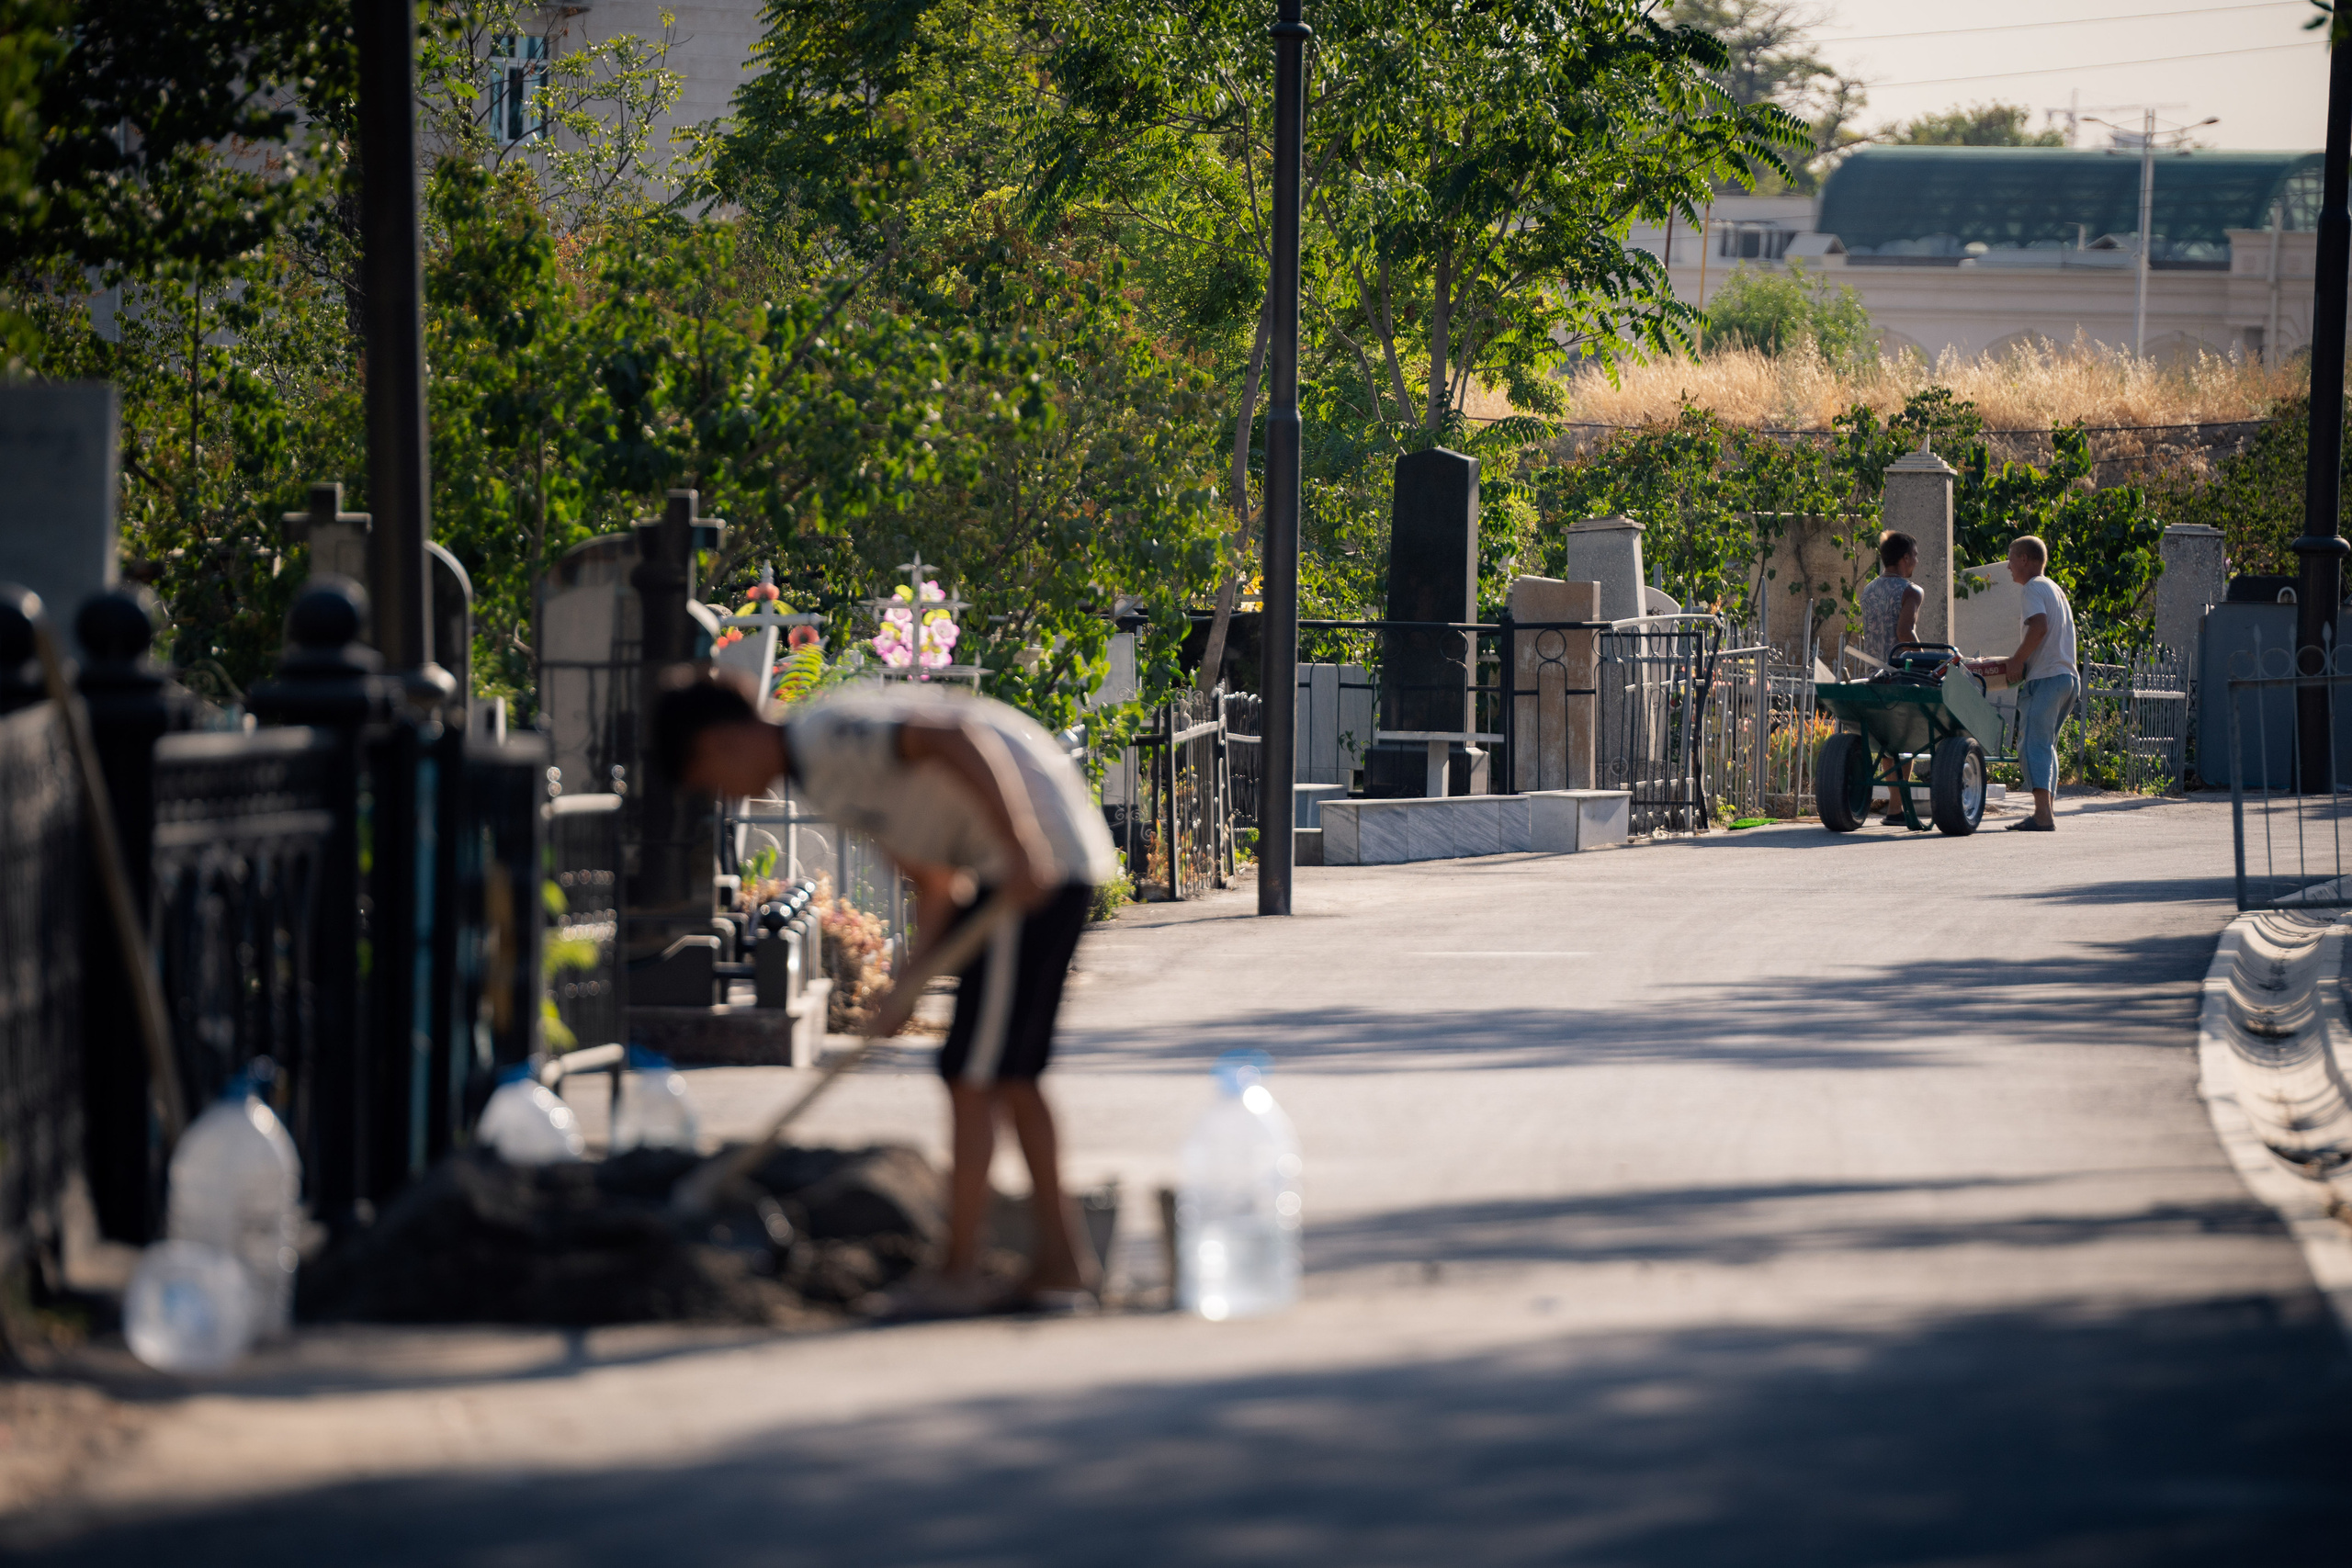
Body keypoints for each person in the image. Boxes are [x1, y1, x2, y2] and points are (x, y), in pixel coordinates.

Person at [651, 671, 1118, 1317]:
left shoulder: (824, 738)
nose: (728, 797)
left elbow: (953, 735)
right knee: (1007, 1071)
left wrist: (1018, 844)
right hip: (1017, 870)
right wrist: (905, 988)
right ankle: (1062, 1265)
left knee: (975, 1070)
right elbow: (935, 884)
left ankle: (961, 1271)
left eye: (712, 782)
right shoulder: (821, 777)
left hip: (1028, 867)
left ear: (719, 743)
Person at [1970, 535, 2077, 832]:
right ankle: (2046, 812)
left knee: (2032, 744)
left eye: (2011, 558)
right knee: (2046, 745)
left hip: (2046, 679)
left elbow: (2039, 627)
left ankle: (2042, 815)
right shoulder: (2054, 588)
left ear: (2025, 560)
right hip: (2067, 677)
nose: (2007, 566)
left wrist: (2017, 661)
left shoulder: (2032, 588)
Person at [1858, 532, 1924, 824]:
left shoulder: (1868, 590)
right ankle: (1898, 806)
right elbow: (1904, 633)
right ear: (1905, 557)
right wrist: (1924, 658)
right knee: (1906, 738)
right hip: (1900, 672)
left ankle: (1896, 808)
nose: (1916, 561)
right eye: (1915, 555)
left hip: (1874, 672)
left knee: (1887, 740)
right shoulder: (1911, 590)